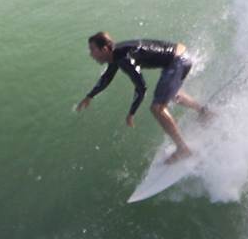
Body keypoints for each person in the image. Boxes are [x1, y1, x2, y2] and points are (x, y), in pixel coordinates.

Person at [75, 32, 211, 162]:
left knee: (157, 108)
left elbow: (141, 88)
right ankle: (204, 112)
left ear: (104, 49)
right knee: (171, 94)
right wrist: (90, 96)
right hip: (181, 56)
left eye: (93, 50)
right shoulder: (116, 54)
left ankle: (183, 149)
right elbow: (107, 77)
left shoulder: (124, 58)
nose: (91, 54)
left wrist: (131, 113)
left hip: (178, 61)